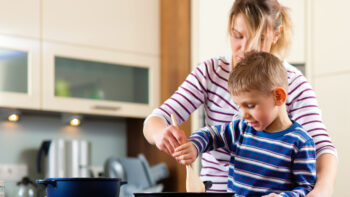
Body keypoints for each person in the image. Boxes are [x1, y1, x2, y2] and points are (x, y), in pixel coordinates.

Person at [143, 0, 337, 196]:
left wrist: (322, 189)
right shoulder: (211, 72)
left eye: (259, 39)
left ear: (276, 35)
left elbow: (320, 146)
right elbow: (160, 120)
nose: (246, 48)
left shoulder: (293, 83)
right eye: (238, 36)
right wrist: (163, 135)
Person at [173, 52, 316, 197]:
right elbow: (211, 134)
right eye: (239, 106)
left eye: (250, 106)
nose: (243, 114)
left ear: (278, 97)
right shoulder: (241, 128)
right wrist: (194, 146)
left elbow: (306, 188)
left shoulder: (301, 142)